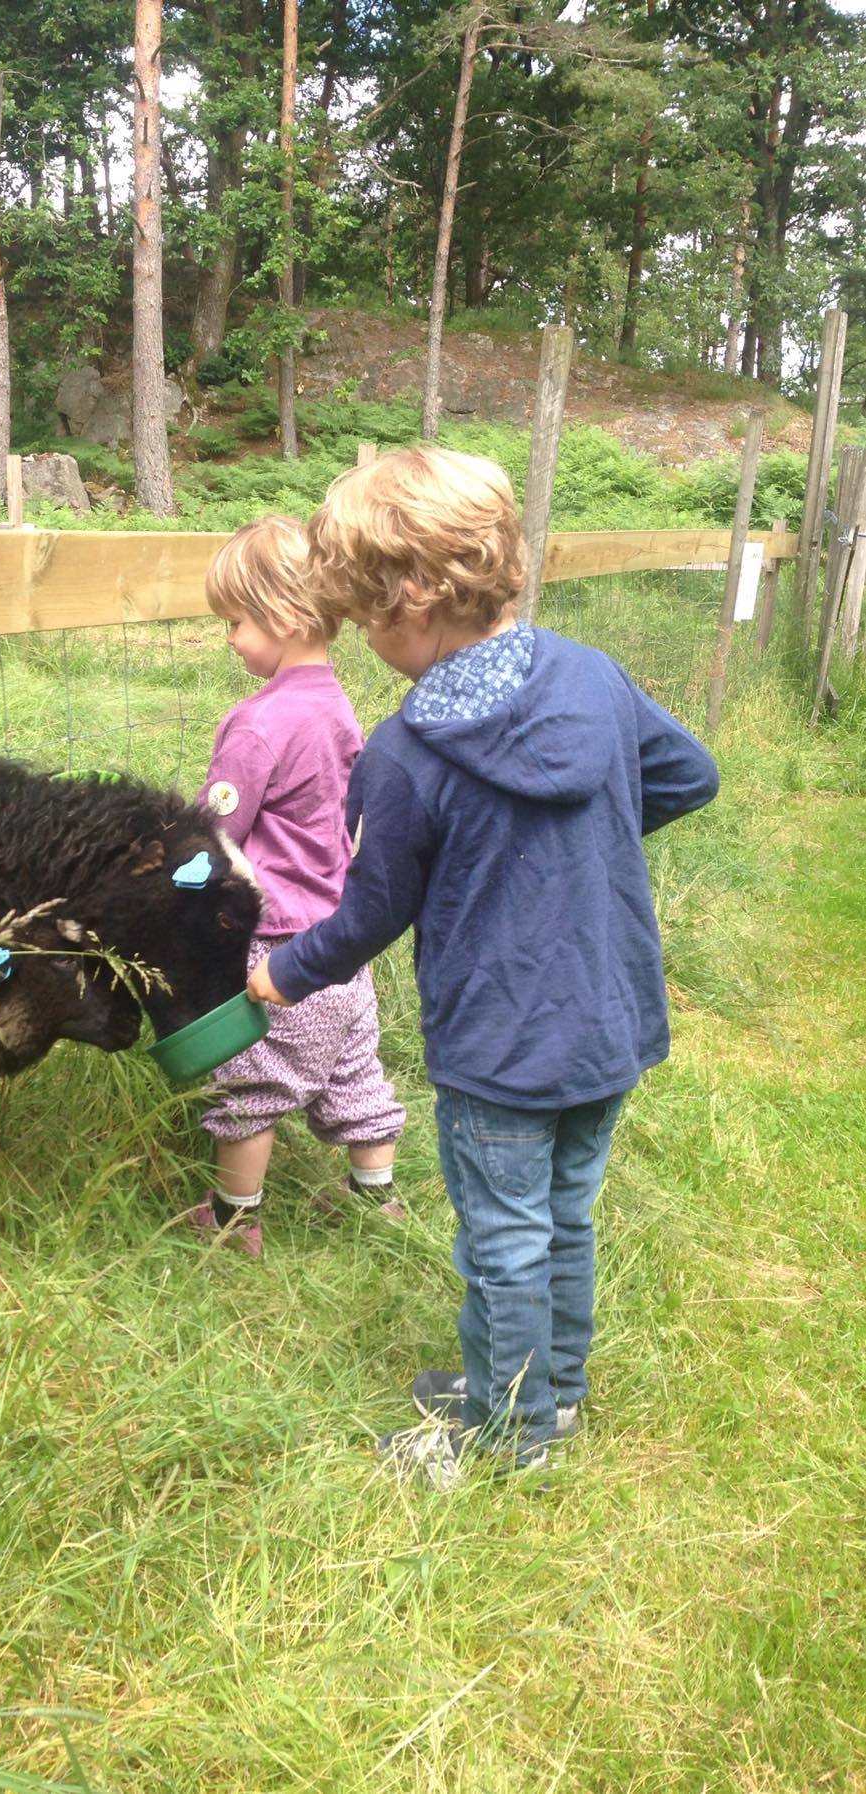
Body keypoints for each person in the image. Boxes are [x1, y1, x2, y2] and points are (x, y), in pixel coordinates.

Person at [248, 448, 719, 1483]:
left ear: (413, 599)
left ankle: (512, 1438)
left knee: (501, 1241)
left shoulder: (405, 754)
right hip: (607, 1022)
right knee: (561, 1219)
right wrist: (580, 851)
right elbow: (688, 775)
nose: (370, 643)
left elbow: (371, 915)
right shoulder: (589, 677)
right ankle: (553, 1391)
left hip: (499, 1043)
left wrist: (282, 974)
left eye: (368, 619)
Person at [192, 515, 406, 1259]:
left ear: (281, 614)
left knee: (251, 1089)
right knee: (353, 1073)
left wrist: (173, 873)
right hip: (342, 939)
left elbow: (214, 838)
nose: (229, 637)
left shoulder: (257, 724)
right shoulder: (336, 705)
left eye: (235, 619)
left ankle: (231, 1221)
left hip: (275, 944)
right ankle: (376, 1201)